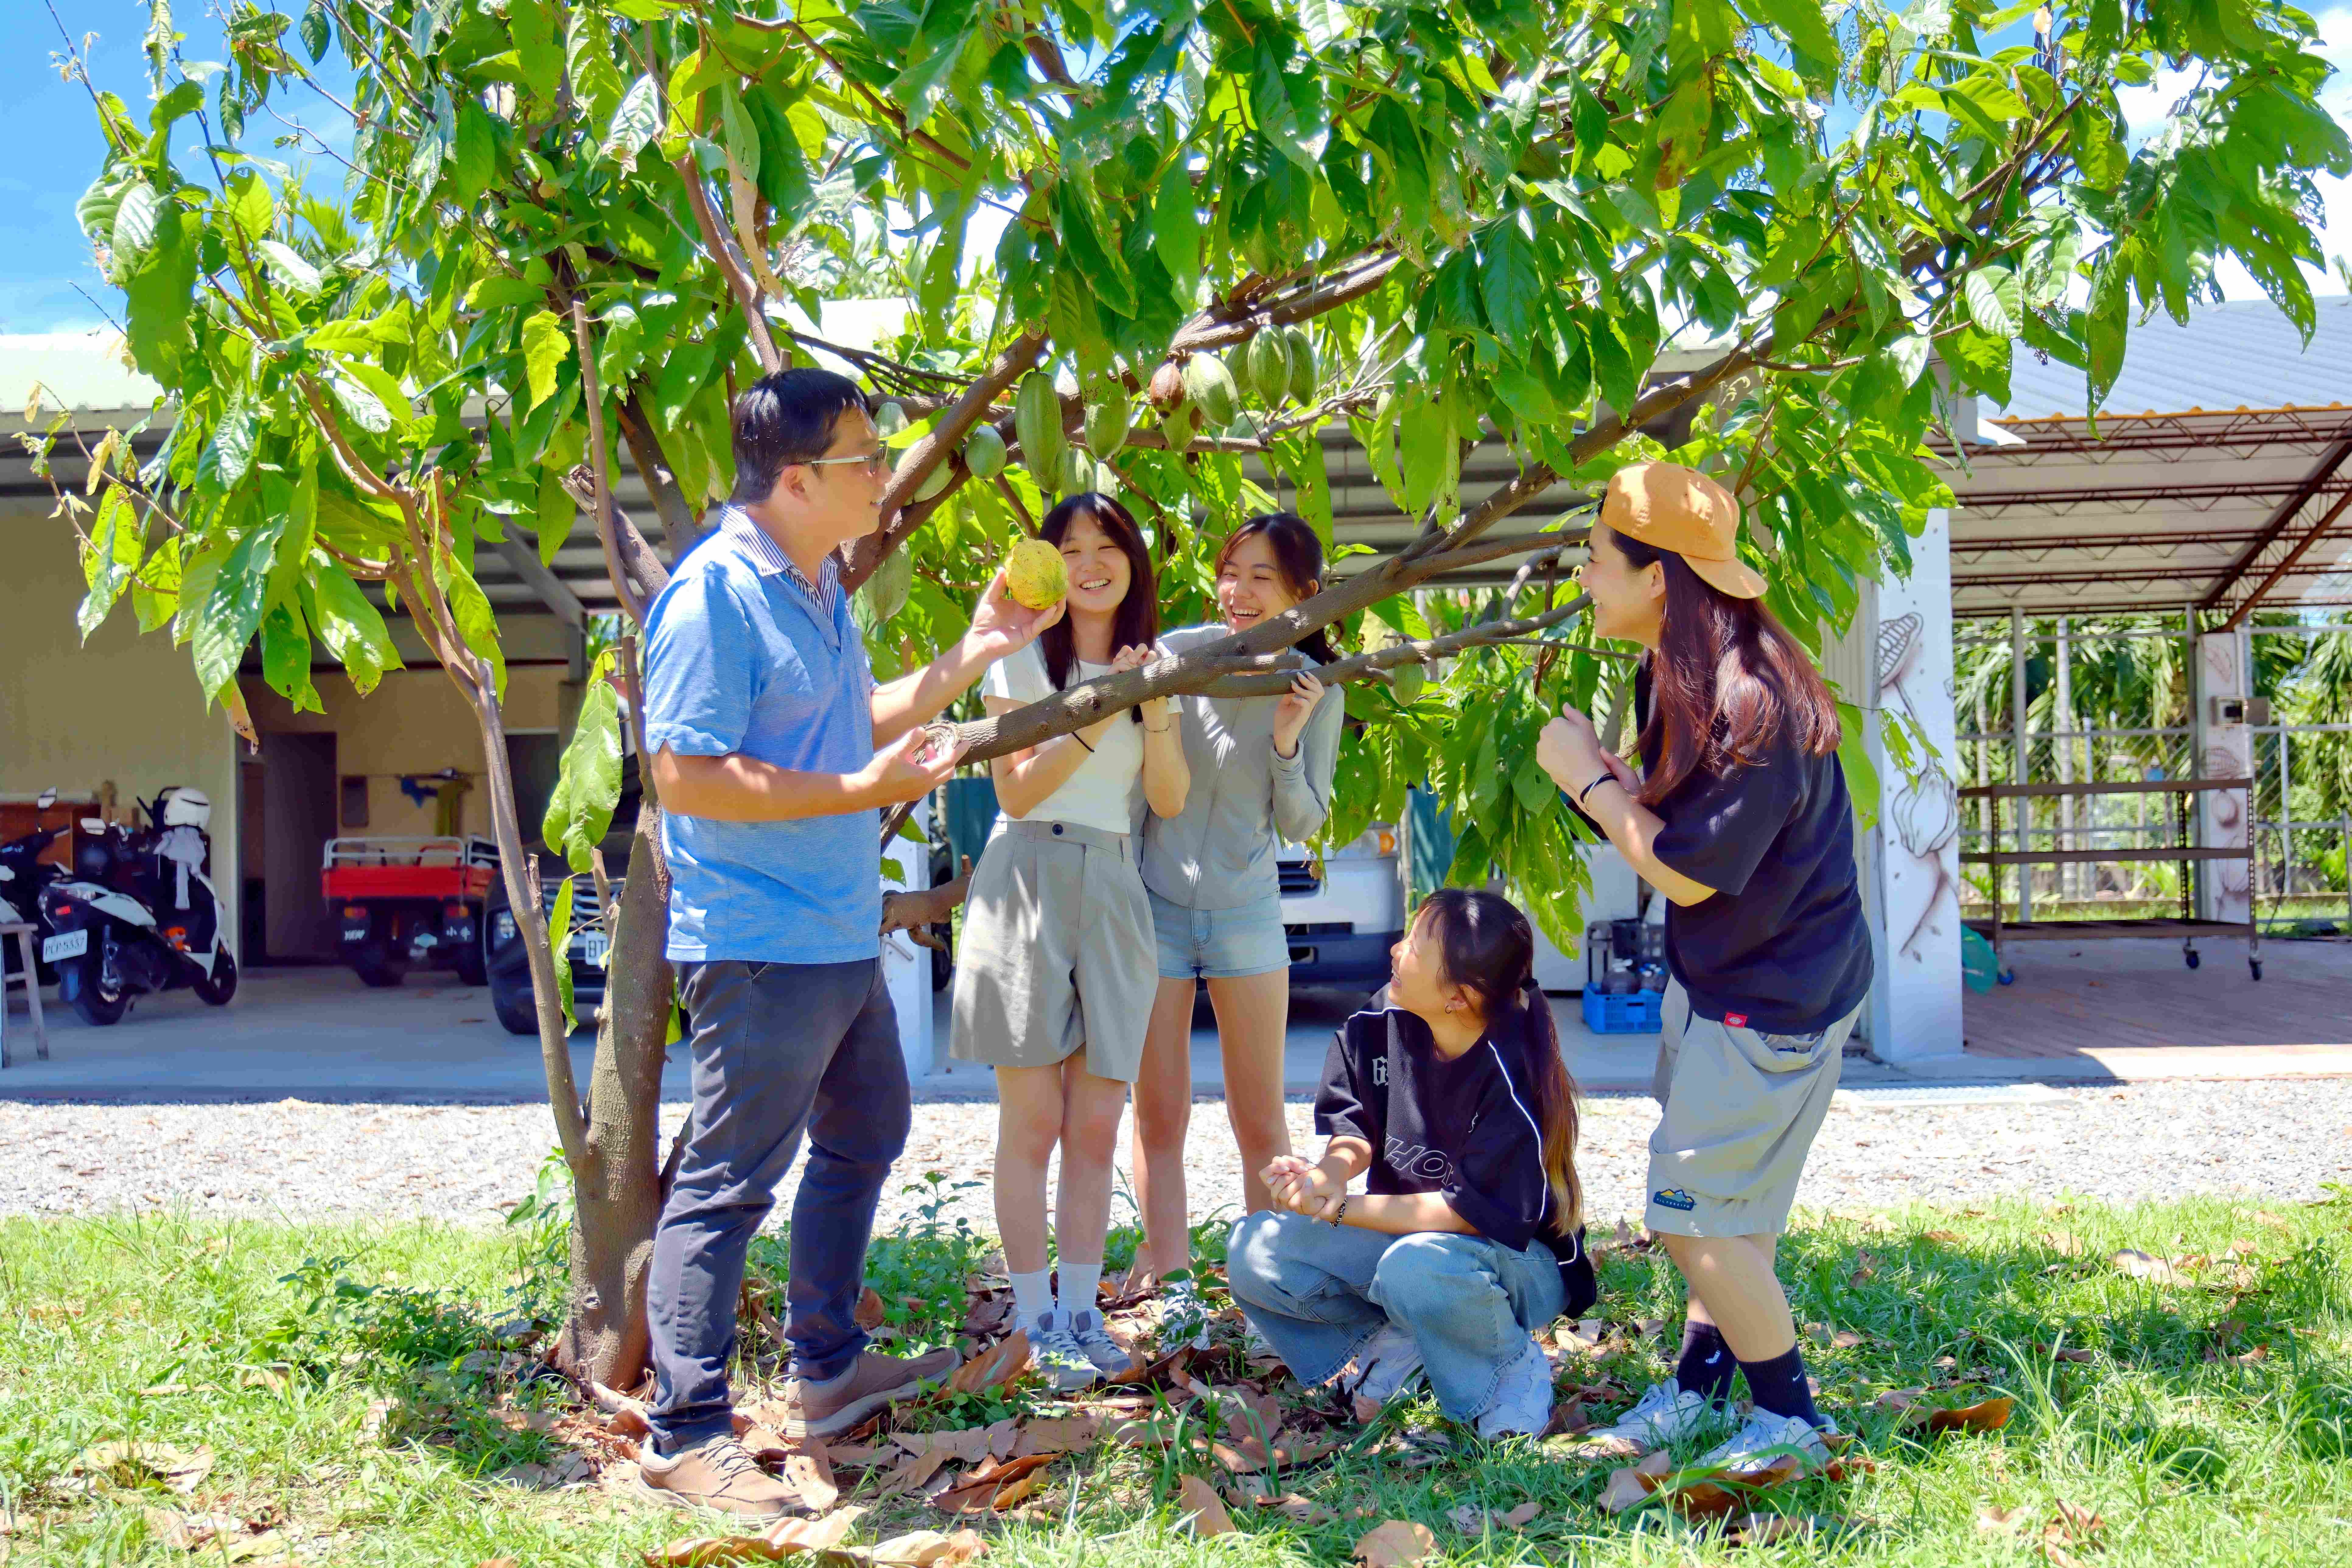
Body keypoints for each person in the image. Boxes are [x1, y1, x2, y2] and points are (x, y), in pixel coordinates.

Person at [632, 368, 1062, 1518]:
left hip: (833, 926)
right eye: (865, 459)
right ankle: (682, 1430)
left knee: (868, 1128)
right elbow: (680, 771)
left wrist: (971, 654)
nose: (884, 476)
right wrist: (854, 790)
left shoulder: (815, 582)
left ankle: (825, 1372)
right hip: (760, 936)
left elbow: (850, 725)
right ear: (796, 478)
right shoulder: (713, 594)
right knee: (728, 1183)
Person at [1535, 460, 1873, 1474]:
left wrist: (1587, 778)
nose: (1582, 578)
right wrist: (1608, 780)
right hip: (1723, 983)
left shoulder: (1753, 701)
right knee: (1730, 1211)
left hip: (1768, 1001)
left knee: (1691, 1217)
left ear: (1658, 579)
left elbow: (1682, 872)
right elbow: (1672, 813)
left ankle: (1790, 1420)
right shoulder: (1681, 675)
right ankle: (1698, 1390)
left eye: (1596, 561)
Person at [951, 493, 1190, 1392]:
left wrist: (1152, 703)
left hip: (1115, 881)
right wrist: (1099, 705)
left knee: (1097, 1122)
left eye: (1108, 546)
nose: (1091, 563)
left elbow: (1166, 798)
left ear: (1133, 560)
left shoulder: (1151, 663)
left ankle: (1082, 1315)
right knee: (1037, 1120)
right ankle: (1034, 1318)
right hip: (1028, 877)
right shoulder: (1020, 651)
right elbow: (1016, 793)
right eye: (1072, 548)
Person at [1225, 889, 1596, 1439]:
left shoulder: (1512, 1074)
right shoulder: (1382, 1018)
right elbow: (1355, 1128)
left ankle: (1508, 1368)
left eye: (1417, 949)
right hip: (1411, 1248)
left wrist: (1340, 1208)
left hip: (1517, 1264)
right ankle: (1399, 1350)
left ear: (1460, 998)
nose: (1397, 951)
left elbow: (1463, 1217)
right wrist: (1326, 1176)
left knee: (1418, 1268)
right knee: (1255, 1247)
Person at [1128, 513, 1344, 1323]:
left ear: (1305, 595)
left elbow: (1303, 825)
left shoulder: (1314, 687)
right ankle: (1169, 1276)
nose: (1240, 591)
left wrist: (1287, 742)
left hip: (1248, 914)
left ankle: (1268, 1286)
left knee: (1262, 1120)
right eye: (1233, 571)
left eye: (1263, 576)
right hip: (1154, 911)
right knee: (1160, 1112)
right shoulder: (1180, 658)